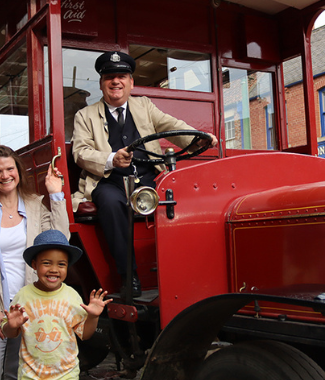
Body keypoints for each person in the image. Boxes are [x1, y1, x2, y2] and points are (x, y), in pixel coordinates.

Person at [72, 51, 218, 297]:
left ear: (131, 83)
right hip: (110, 181)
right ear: (101, 83)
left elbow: (171, 126)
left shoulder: (144, 105)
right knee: (109, 203)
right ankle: (129, 276)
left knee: (185, 196)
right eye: (110, 77)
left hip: (149, 179)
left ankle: (189, 272)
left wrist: (198, 138)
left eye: (121, 76)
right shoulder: (85, 116)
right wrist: (111, 159)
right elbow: (80, 152)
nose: (115, 82)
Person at [0, 145, 70, 380]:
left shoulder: (35, 206)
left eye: (10, 168)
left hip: (28, 303)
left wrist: (56, 195)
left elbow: (60, 243)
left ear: (18, 171)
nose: (5, 175)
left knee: (15, 370)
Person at [2, 229, 111, 380]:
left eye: (61, 264)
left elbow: (85, 335)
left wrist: (92, 317)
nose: (54, 270)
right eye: (46, 263)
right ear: (34, 265)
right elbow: (9, 333)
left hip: (66, 375)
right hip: (31, 376)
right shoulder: (23, 296)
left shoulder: (72, 296)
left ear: (67, 267)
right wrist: (12, 326)